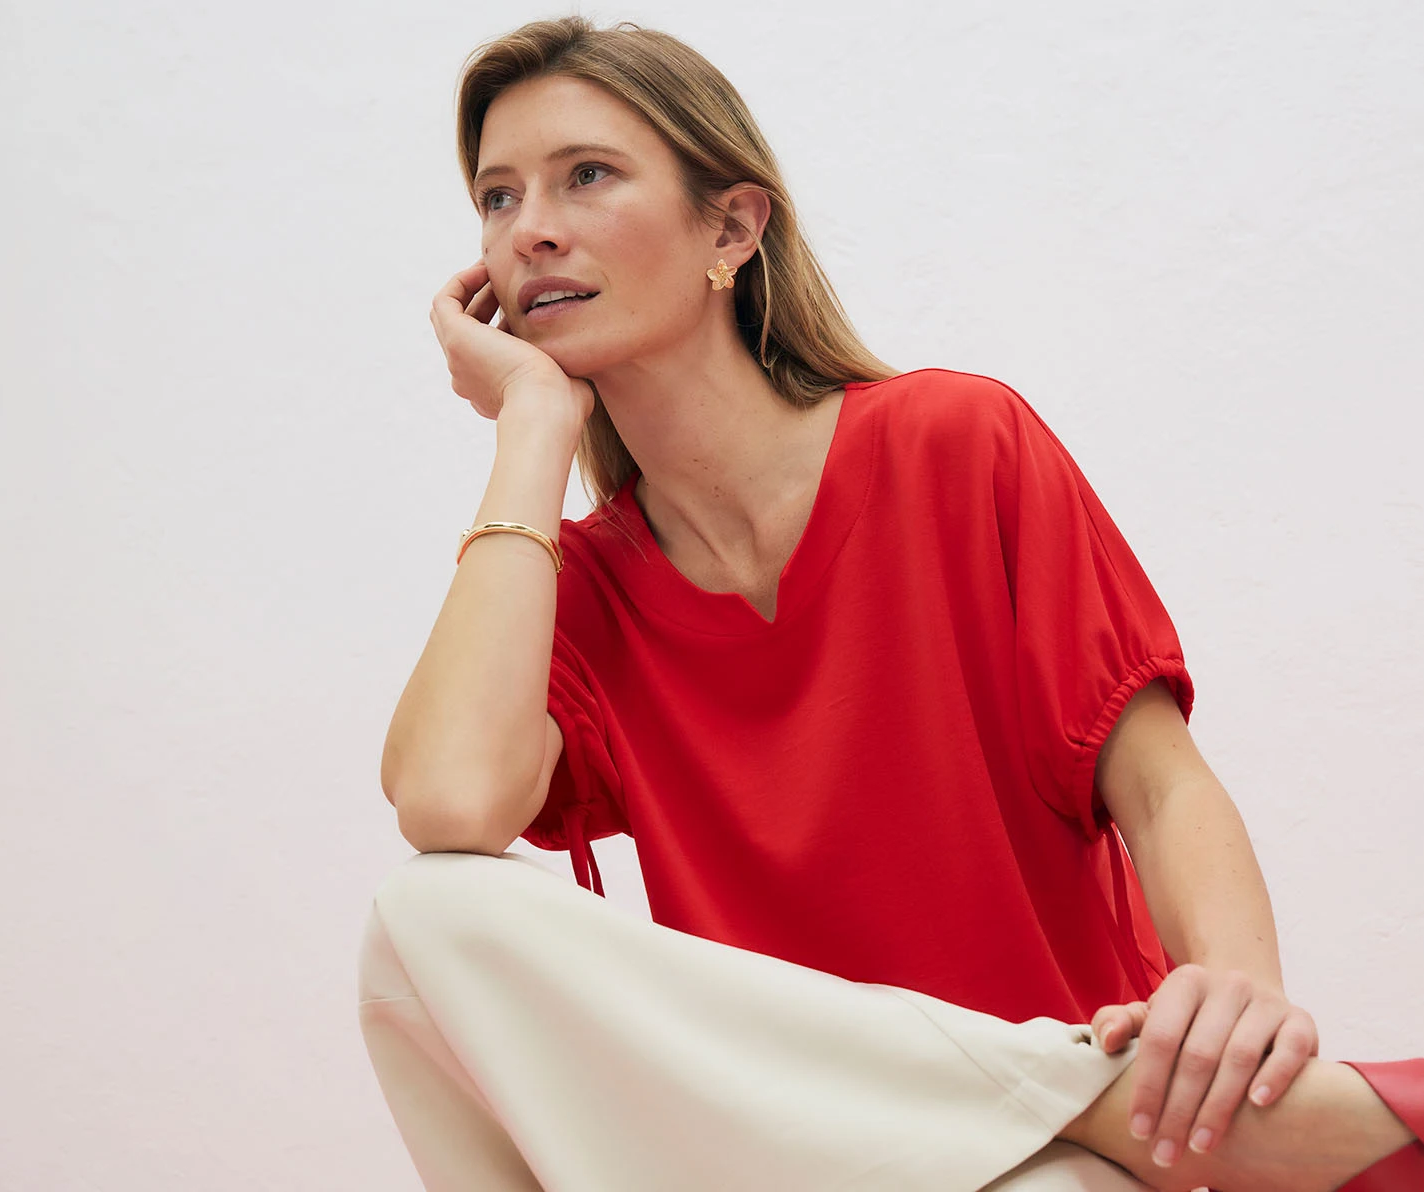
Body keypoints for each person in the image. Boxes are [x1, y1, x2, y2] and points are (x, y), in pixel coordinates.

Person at [362, 17, 1424, 1191]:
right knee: (422, 918)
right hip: (789, 1161)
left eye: (588, 176)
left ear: (733, 226)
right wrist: (533, 426)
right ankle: (1134, 1112)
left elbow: (1161, 785)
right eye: (497, 199)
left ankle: (1109, 1113)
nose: (533, 229)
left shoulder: (954, 447)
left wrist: (1237, 992)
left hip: (1056, 1170)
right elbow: (450, 802)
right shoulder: (578, 590)